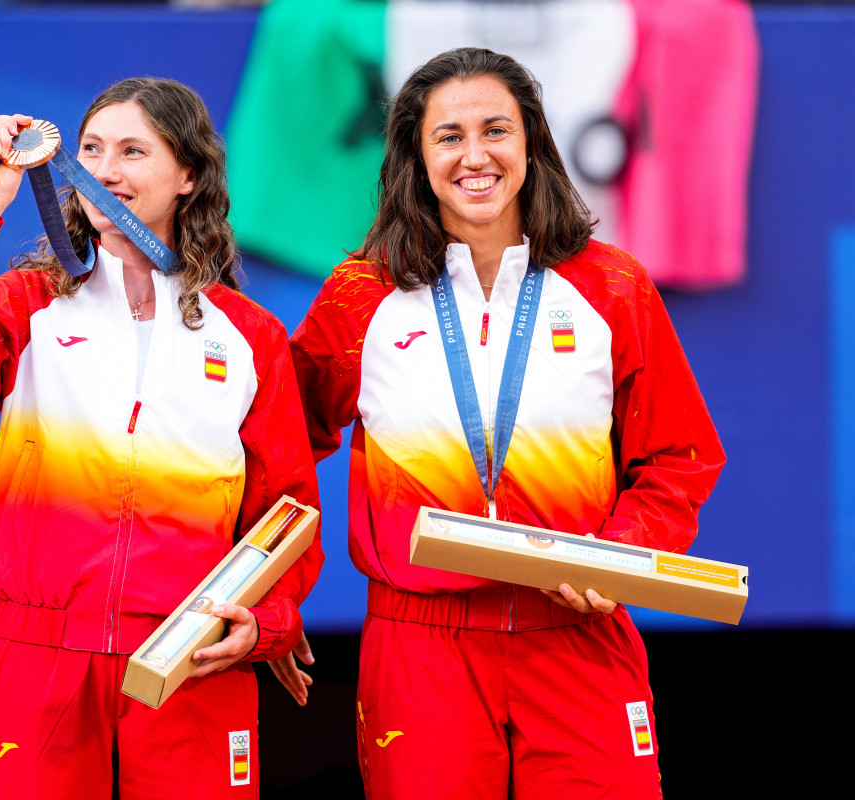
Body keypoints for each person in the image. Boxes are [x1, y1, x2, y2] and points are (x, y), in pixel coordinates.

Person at [284, 48, 724, 798]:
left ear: (531, 143)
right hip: (422, 642)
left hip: (575, 630)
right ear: (414, 159)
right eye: (447, 136)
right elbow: (281, 447)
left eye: (495, 129)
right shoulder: (361, 295)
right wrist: (273, 586)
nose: (474, 155)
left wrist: (616, 558)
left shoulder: (611, 286)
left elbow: (678, 455)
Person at [0, 77, 322, 799]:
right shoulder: (29, 306)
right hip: (39, 656)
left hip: (188, 660)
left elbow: (286, 514)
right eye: (90, 150)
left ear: (189, 176)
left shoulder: (250, 337)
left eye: (133, 151)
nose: (106, 171)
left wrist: (266, 621)